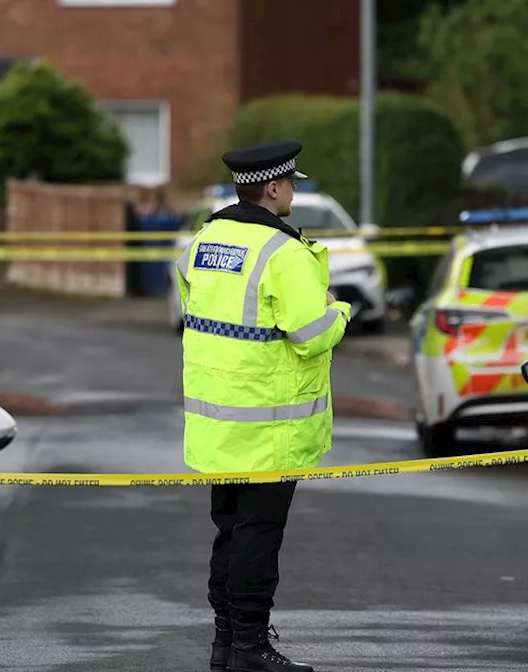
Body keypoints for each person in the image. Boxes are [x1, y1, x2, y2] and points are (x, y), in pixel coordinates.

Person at [173, 140, 352, 672]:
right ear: (272, 188)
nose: (294, 190)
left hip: (217, 423)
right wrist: (339, 310)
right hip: (270, 427)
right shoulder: (284, 254)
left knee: (229, 531)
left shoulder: (205, 240)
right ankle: (250, 649)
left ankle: (226, 644)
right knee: (258, 537)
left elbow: (192, 294)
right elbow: (310, 333)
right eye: (292, 183)